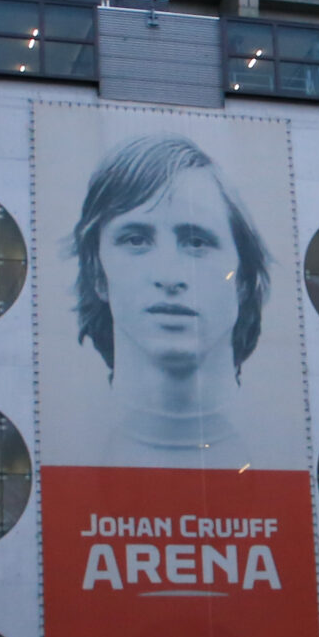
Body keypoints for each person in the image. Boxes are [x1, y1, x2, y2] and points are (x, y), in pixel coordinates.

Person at [68, 135, 273, 468]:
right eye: (136, 239)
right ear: (97, 273)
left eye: (196, 241)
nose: (169, 275)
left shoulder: (276, 447)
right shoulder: (70, 443)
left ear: (244, 280)